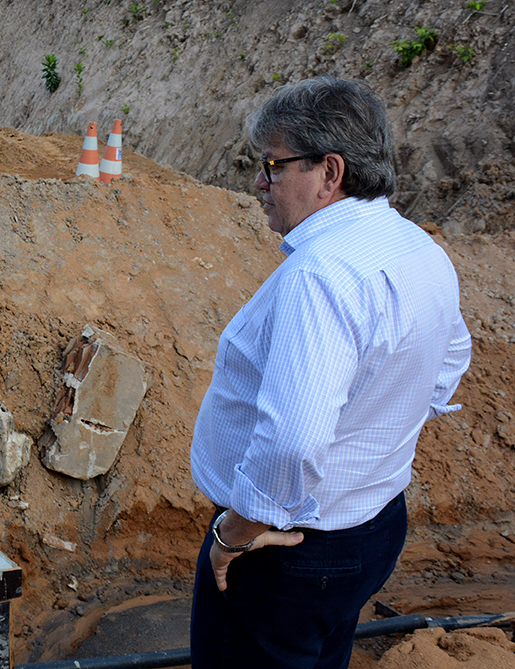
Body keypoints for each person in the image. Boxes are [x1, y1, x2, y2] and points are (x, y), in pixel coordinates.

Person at [188, 76, 472, 669]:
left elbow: (291, 442)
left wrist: (233, 536)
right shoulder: (417, 246)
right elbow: (447, 365)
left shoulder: (320, 277)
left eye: (272, 165)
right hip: (373, 526)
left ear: (329, 172)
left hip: (285, 552)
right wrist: (372, 436)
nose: (258, 183)